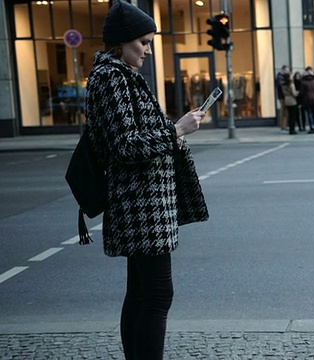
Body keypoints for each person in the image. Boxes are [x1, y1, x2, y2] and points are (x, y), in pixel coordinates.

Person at [85, 1, 209, 359]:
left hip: (143, 203)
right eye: (142, 42)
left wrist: (175, 130)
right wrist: (175, 131)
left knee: (141, 293)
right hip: (139, 204)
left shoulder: (120, 75)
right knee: (156, 294)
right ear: (121, 42)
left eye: (150, 41)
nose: (148, 50)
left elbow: (135, 135)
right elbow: (125, 145)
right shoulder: (111, 78)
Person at [298, 68, 314, 134]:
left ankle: (312, 127)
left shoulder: (304, 82)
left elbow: (301, 92)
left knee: (309, 113)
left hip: (307, 99)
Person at [276, 65, 290, 131]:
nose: (288, 72)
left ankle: (284, 125)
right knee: (284, 111)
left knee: (285, 111)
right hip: (282, 96)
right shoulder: (280, 77)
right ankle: (283, 125)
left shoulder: (282, 77)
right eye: (287, 70)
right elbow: (281, 85)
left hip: (284, 96)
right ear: (283, 70)